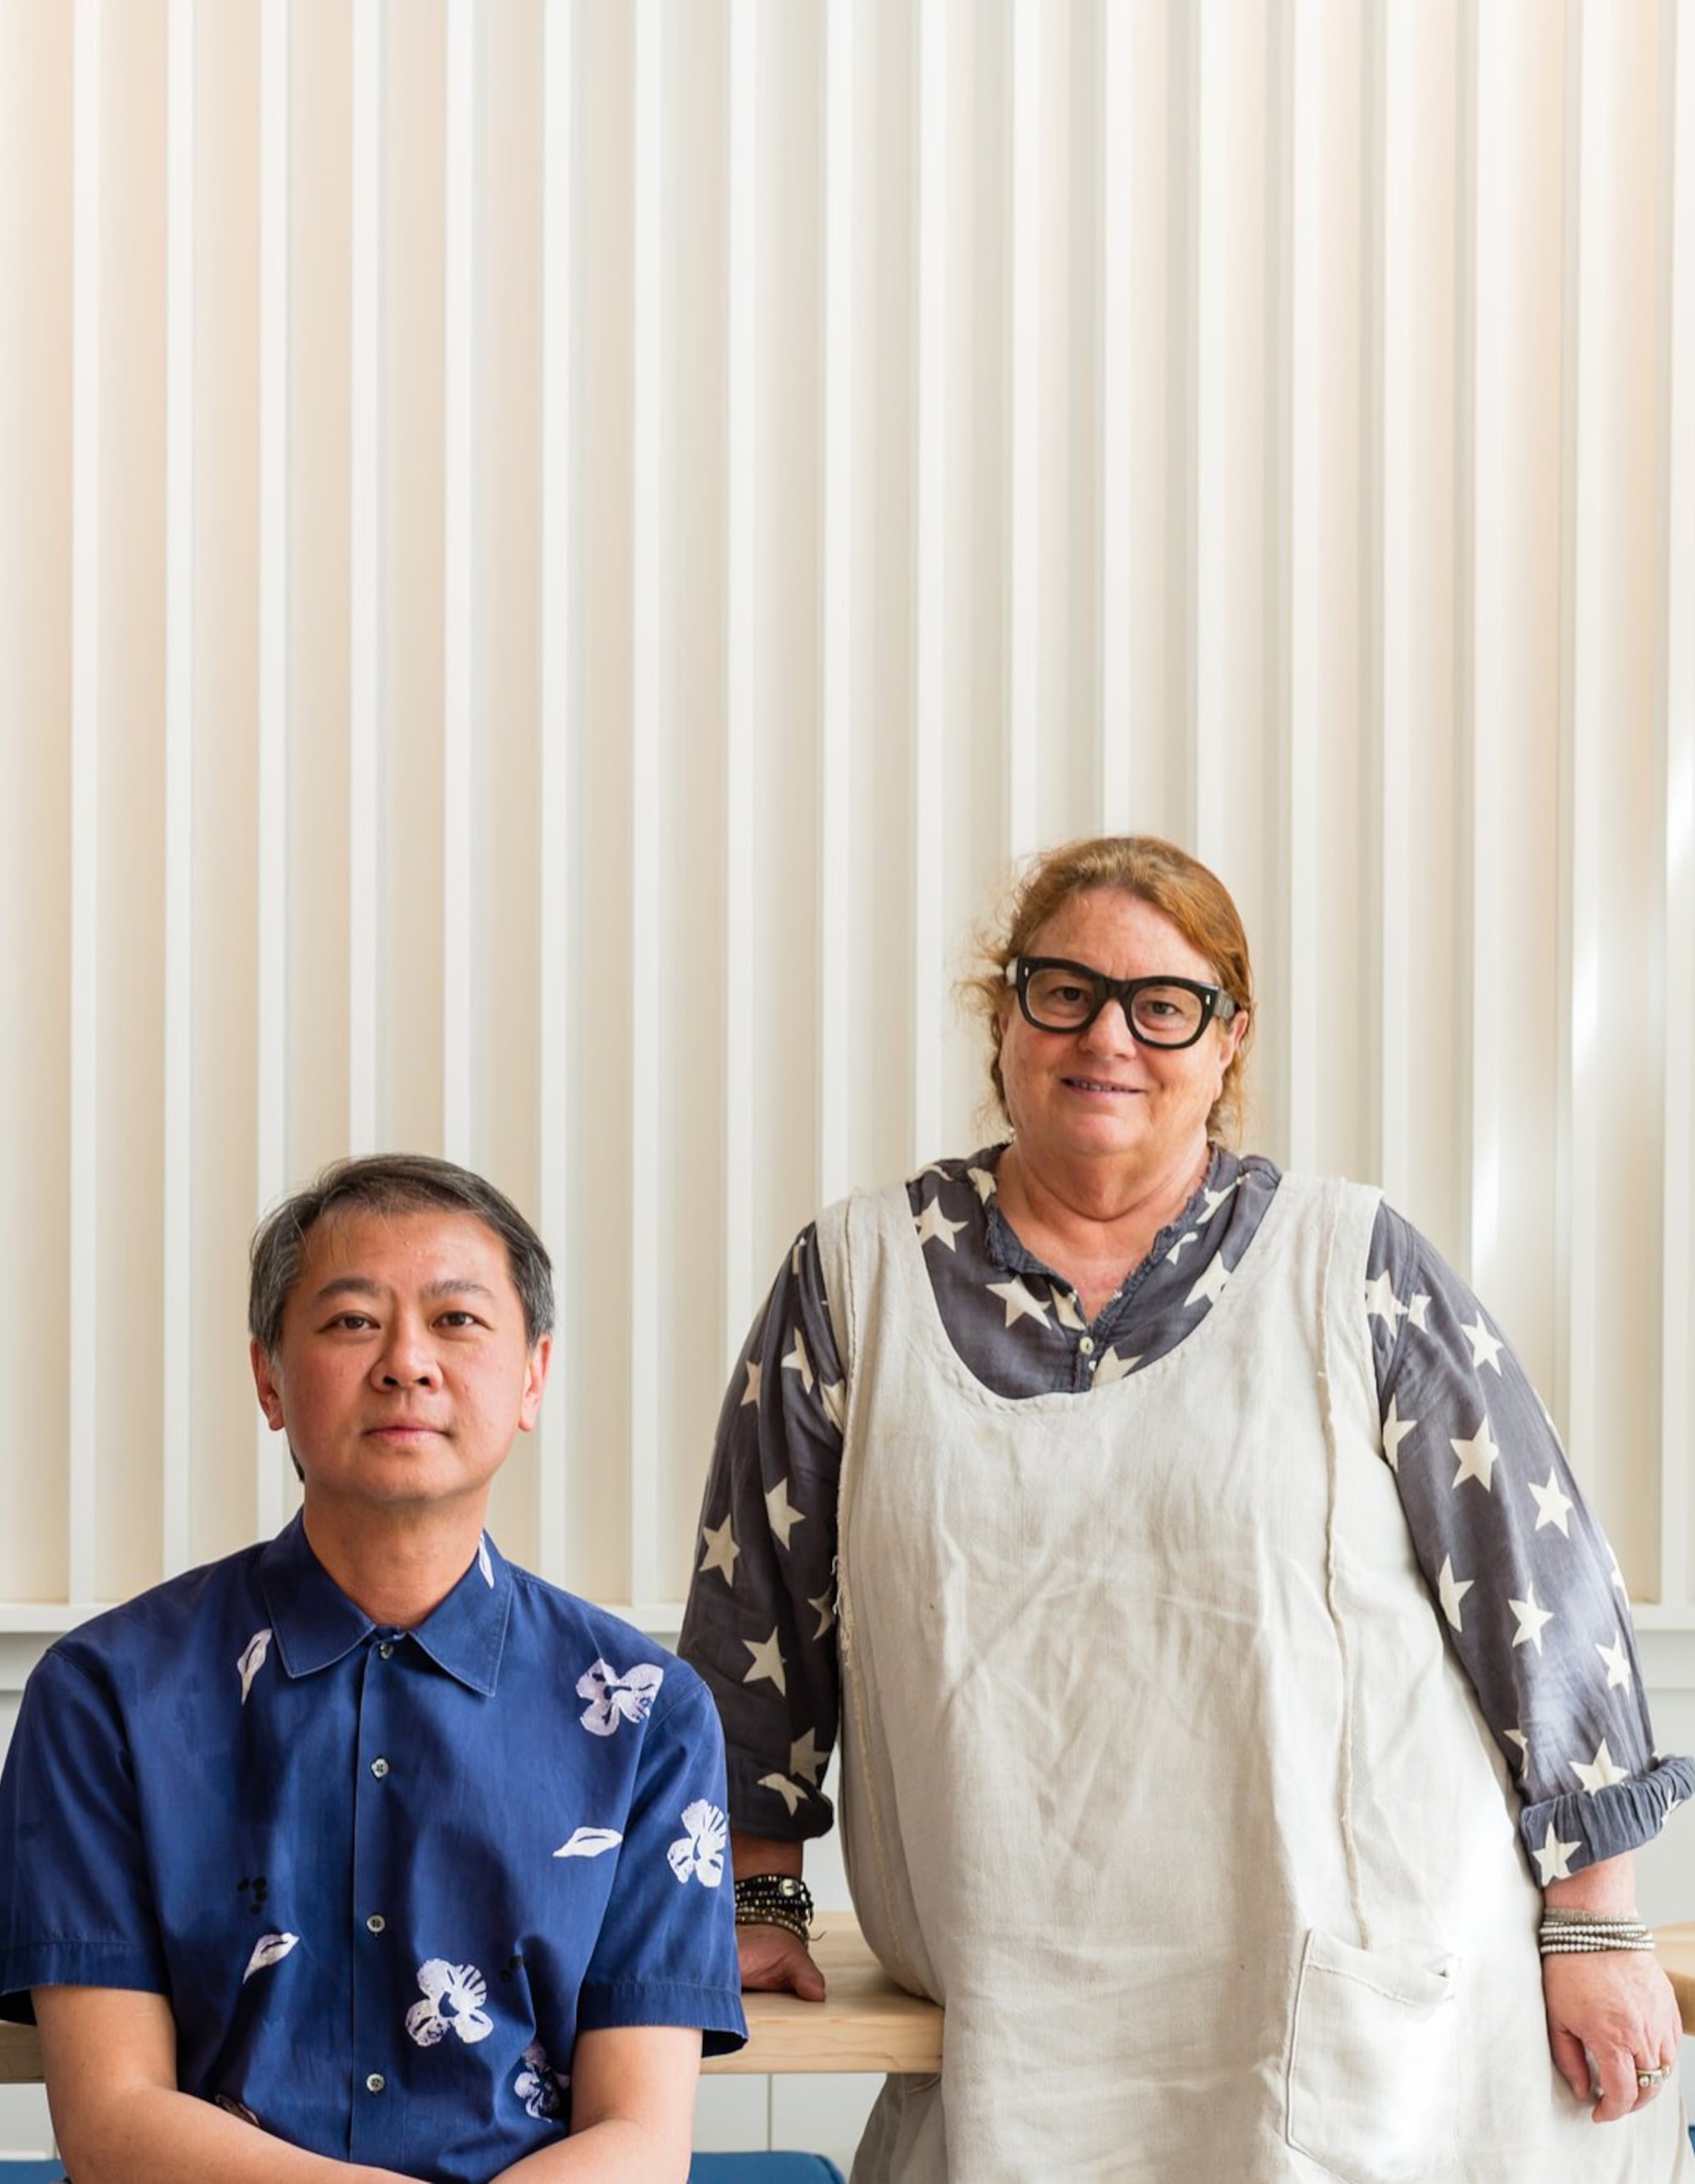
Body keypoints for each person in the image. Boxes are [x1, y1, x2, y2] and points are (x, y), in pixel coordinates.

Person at [680, 833, 1693, 2180]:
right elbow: (759, 1605)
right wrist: (756, 1889)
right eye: (1065, 991)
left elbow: (1543, 1592)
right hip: (1022, 2005)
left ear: (1229, 1041)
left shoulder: (1355, 1262)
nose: (1111, 1035)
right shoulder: (858, 1275)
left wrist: (1595, 1928)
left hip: (1356, 2013)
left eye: (1164, 1004)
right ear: (1004, 1018)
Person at [0, 1154, 743, 2184]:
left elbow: (640, 2138)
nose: (406, 1361)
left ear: (534, 1377)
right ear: (268, 1378)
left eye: (457, 1320)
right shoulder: (105, 1693)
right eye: (351, 1321)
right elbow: (114, 2122)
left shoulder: (648, 1713)